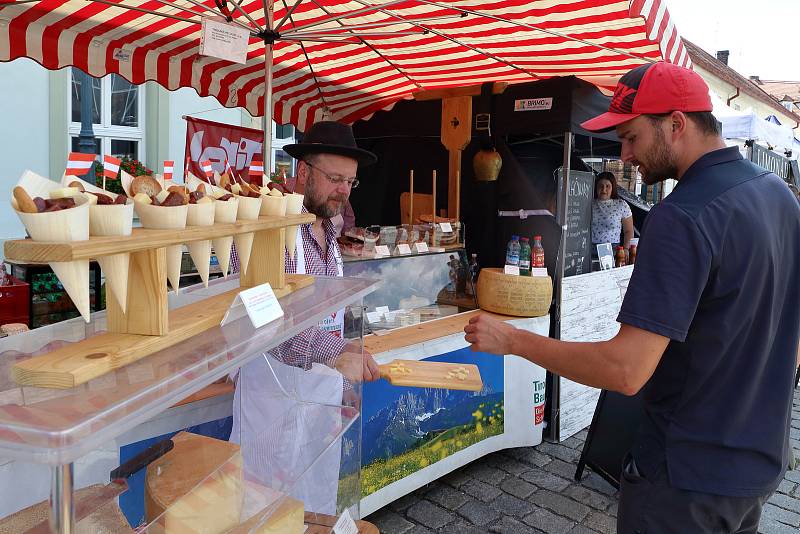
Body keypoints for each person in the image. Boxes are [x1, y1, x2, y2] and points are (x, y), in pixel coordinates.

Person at [464, 61, 800, 533]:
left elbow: (625, 371)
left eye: (631, 137)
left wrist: (514, 341)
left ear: (676, 124)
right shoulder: (779, 196)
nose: (624, 154)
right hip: (757, 464)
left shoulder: (681, 215)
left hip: (685, 478)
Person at [231, 121, 380, 513]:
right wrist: (333, 353)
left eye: (350, 182)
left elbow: (327, 320)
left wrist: (347, 349)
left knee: (313, 507)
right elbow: (261, 325)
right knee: (262, 512)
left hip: (318, 410)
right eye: (335, 179)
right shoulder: (267, 232)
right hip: (269, 410)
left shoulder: (330, 238)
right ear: (303, 173)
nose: (344, 191)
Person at [591, 171, 633, 251]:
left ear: (612, 188)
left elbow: (629, 231)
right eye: (600, 186)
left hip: (612, 250)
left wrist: (626, 249)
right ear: (596, 187)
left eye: (607, 186)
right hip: (588, 249)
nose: (604, 189)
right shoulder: (588, 203)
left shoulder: (622, 205)